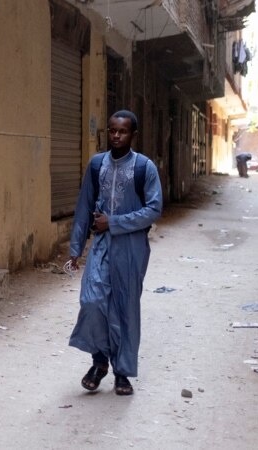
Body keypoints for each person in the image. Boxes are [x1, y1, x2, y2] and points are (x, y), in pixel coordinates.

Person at [66, 110, 163, 396]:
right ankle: (99, 362)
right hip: (102, 246)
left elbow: (154, 209)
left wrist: (115, 222)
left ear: (133, 135)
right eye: (112, 131)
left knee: (124, 309)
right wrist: (75, 249)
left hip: (131, 248)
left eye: (122, 131)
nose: (116, 136)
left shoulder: (145, 167)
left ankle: (122, 373)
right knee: (92, 301)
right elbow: (84, 207)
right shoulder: (96, 165)